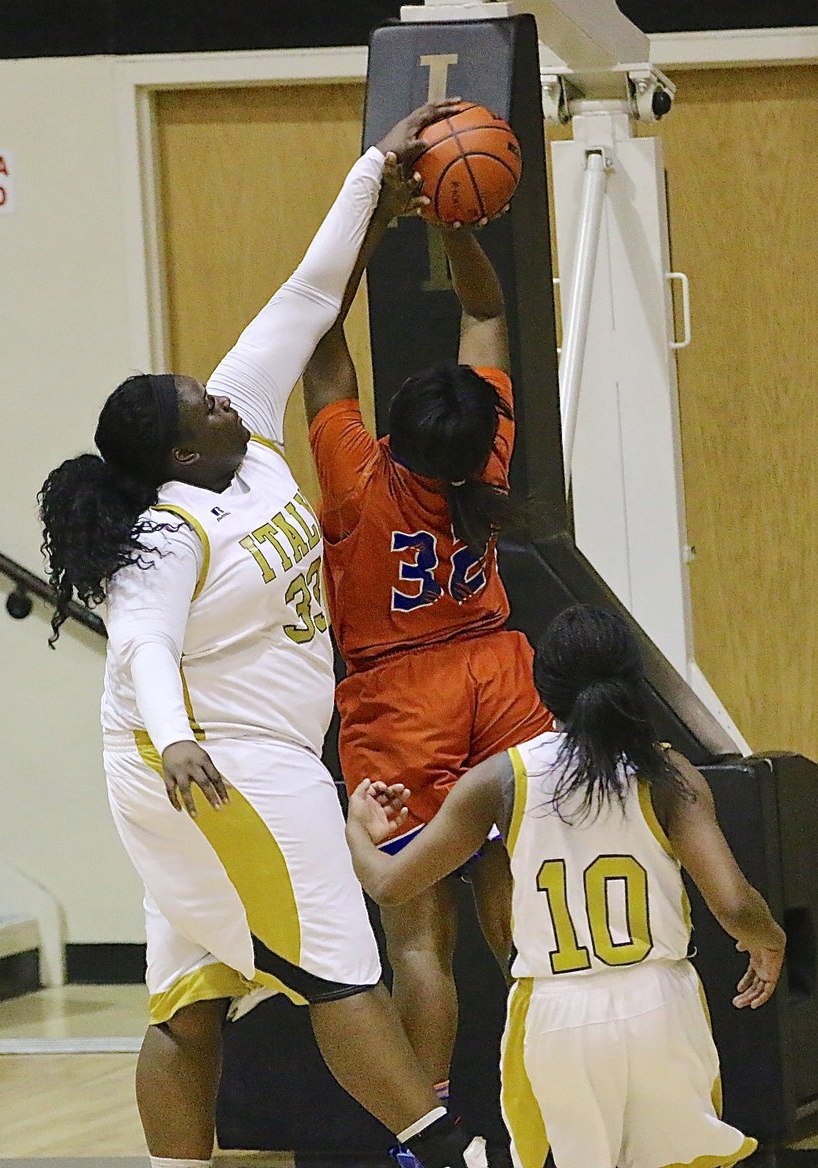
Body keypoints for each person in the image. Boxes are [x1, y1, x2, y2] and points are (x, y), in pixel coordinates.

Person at [38, 102, 489, 1168]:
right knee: (340, 970)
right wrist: (178, 736)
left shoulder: (239, 432)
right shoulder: (165, 530)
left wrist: (373, 179)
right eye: (202, 406)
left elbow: (306, 292)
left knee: (192, 996)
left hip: (235, 760)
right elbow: (142, 647)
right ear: (178, 453)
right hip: (211, 763)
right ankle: (452, 1154)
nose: (225, 396)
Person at [346, 604, 786, 1168]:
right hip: (659, 1002)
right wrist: (768, 941)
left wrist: (359, 830)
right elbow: (734, 903)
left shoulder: (502, 777)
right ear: (632, 680)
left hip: (555, 1014)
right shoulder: (668, 774)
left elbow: (388, 885)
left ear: (542, 688)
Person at [303, 165, 552, 1111]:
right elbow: (487, 321)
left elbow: (321, 337)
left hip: (399, 696)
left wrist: (377, 219)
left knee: (416, 941)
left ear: (395, 435)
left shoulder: (361, 482)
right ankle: (543, 1093)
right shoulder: (483, 463)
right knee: (514, 911)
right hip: (498, 675)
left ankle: (428, 1123)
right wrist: (454, 226)